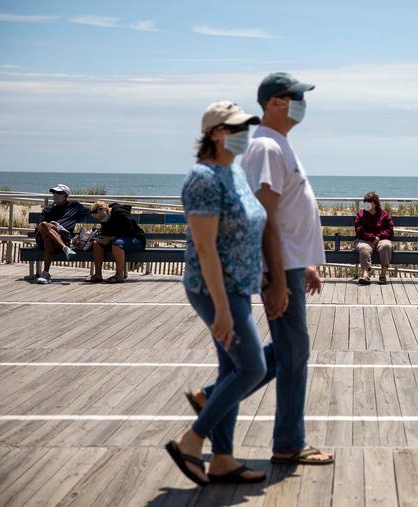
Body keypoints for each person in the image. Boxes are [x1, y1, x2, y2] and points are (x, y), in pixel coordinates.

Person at [188, 72, 333, 466]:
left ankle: (213, 394)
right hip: (279, 268)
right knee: (294, 350)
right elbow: (266, 215)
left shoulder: (279, 144)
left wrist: (302, 264)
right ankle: (287, 441)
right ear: (273, 102)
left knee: (290, 349)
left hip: (289, 264)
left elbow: (284, 215)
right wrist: (277, 275)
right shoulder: (268, 146)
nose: (302, 102)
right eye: (295, 96)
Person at [164, 100, 269, 487]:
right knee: (254, 367)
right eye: (238, 127)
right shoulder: (203, 178)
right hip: (215, 291)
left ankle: (222, 459)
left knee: (232, 370)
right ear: (216, 133)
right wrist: (222, 310)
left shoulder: (233, 172)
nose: (245, 134)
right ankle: (191, 441)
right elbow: (205, 248)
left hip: (239, 286)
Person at [34, 184, 89, 284]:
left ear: (66, 195)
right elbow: (39, 226)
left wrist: (109, 209)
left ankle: (45, 274)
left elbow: (91, 212)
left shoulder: (74, 206)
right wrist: (51, 226)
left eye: (58, 193)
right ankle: (65, 249)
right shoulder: (48, 209)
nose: (55, 195)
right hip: (43, 236)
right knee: (44, 225)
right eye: (54, 192)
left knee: (49, 241)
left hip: (62, 237)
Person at [86, 201, 147, 283]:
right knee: (96, 244)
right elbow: (107, 233)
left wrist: (110, 239)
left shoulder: (120, 213)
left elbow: (130, 231)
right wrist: (102, 238)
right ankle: (98, 275)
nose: (101, 219)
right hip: (117, 240)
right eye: (99, 218)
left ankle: (119, 275)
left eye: (101, 217)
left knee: (117, 244)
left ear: (105, 210)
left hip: (135, 239)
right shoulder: (104, 217)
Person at [354, 191, 394, 285]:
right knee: (363, 248)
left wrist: (379, 237)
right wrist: (371, 237)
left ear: (375, 204)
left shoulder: (383, 214)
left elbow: (390, 230)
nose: (366, 205)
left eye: (369, 202)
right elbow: (359, 230)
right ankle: (365, 275)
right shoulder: (361, 215)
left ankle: (383, 274)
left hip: (381, 239)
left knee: (386, 246)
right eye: (365, 202)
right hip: (364, 239)